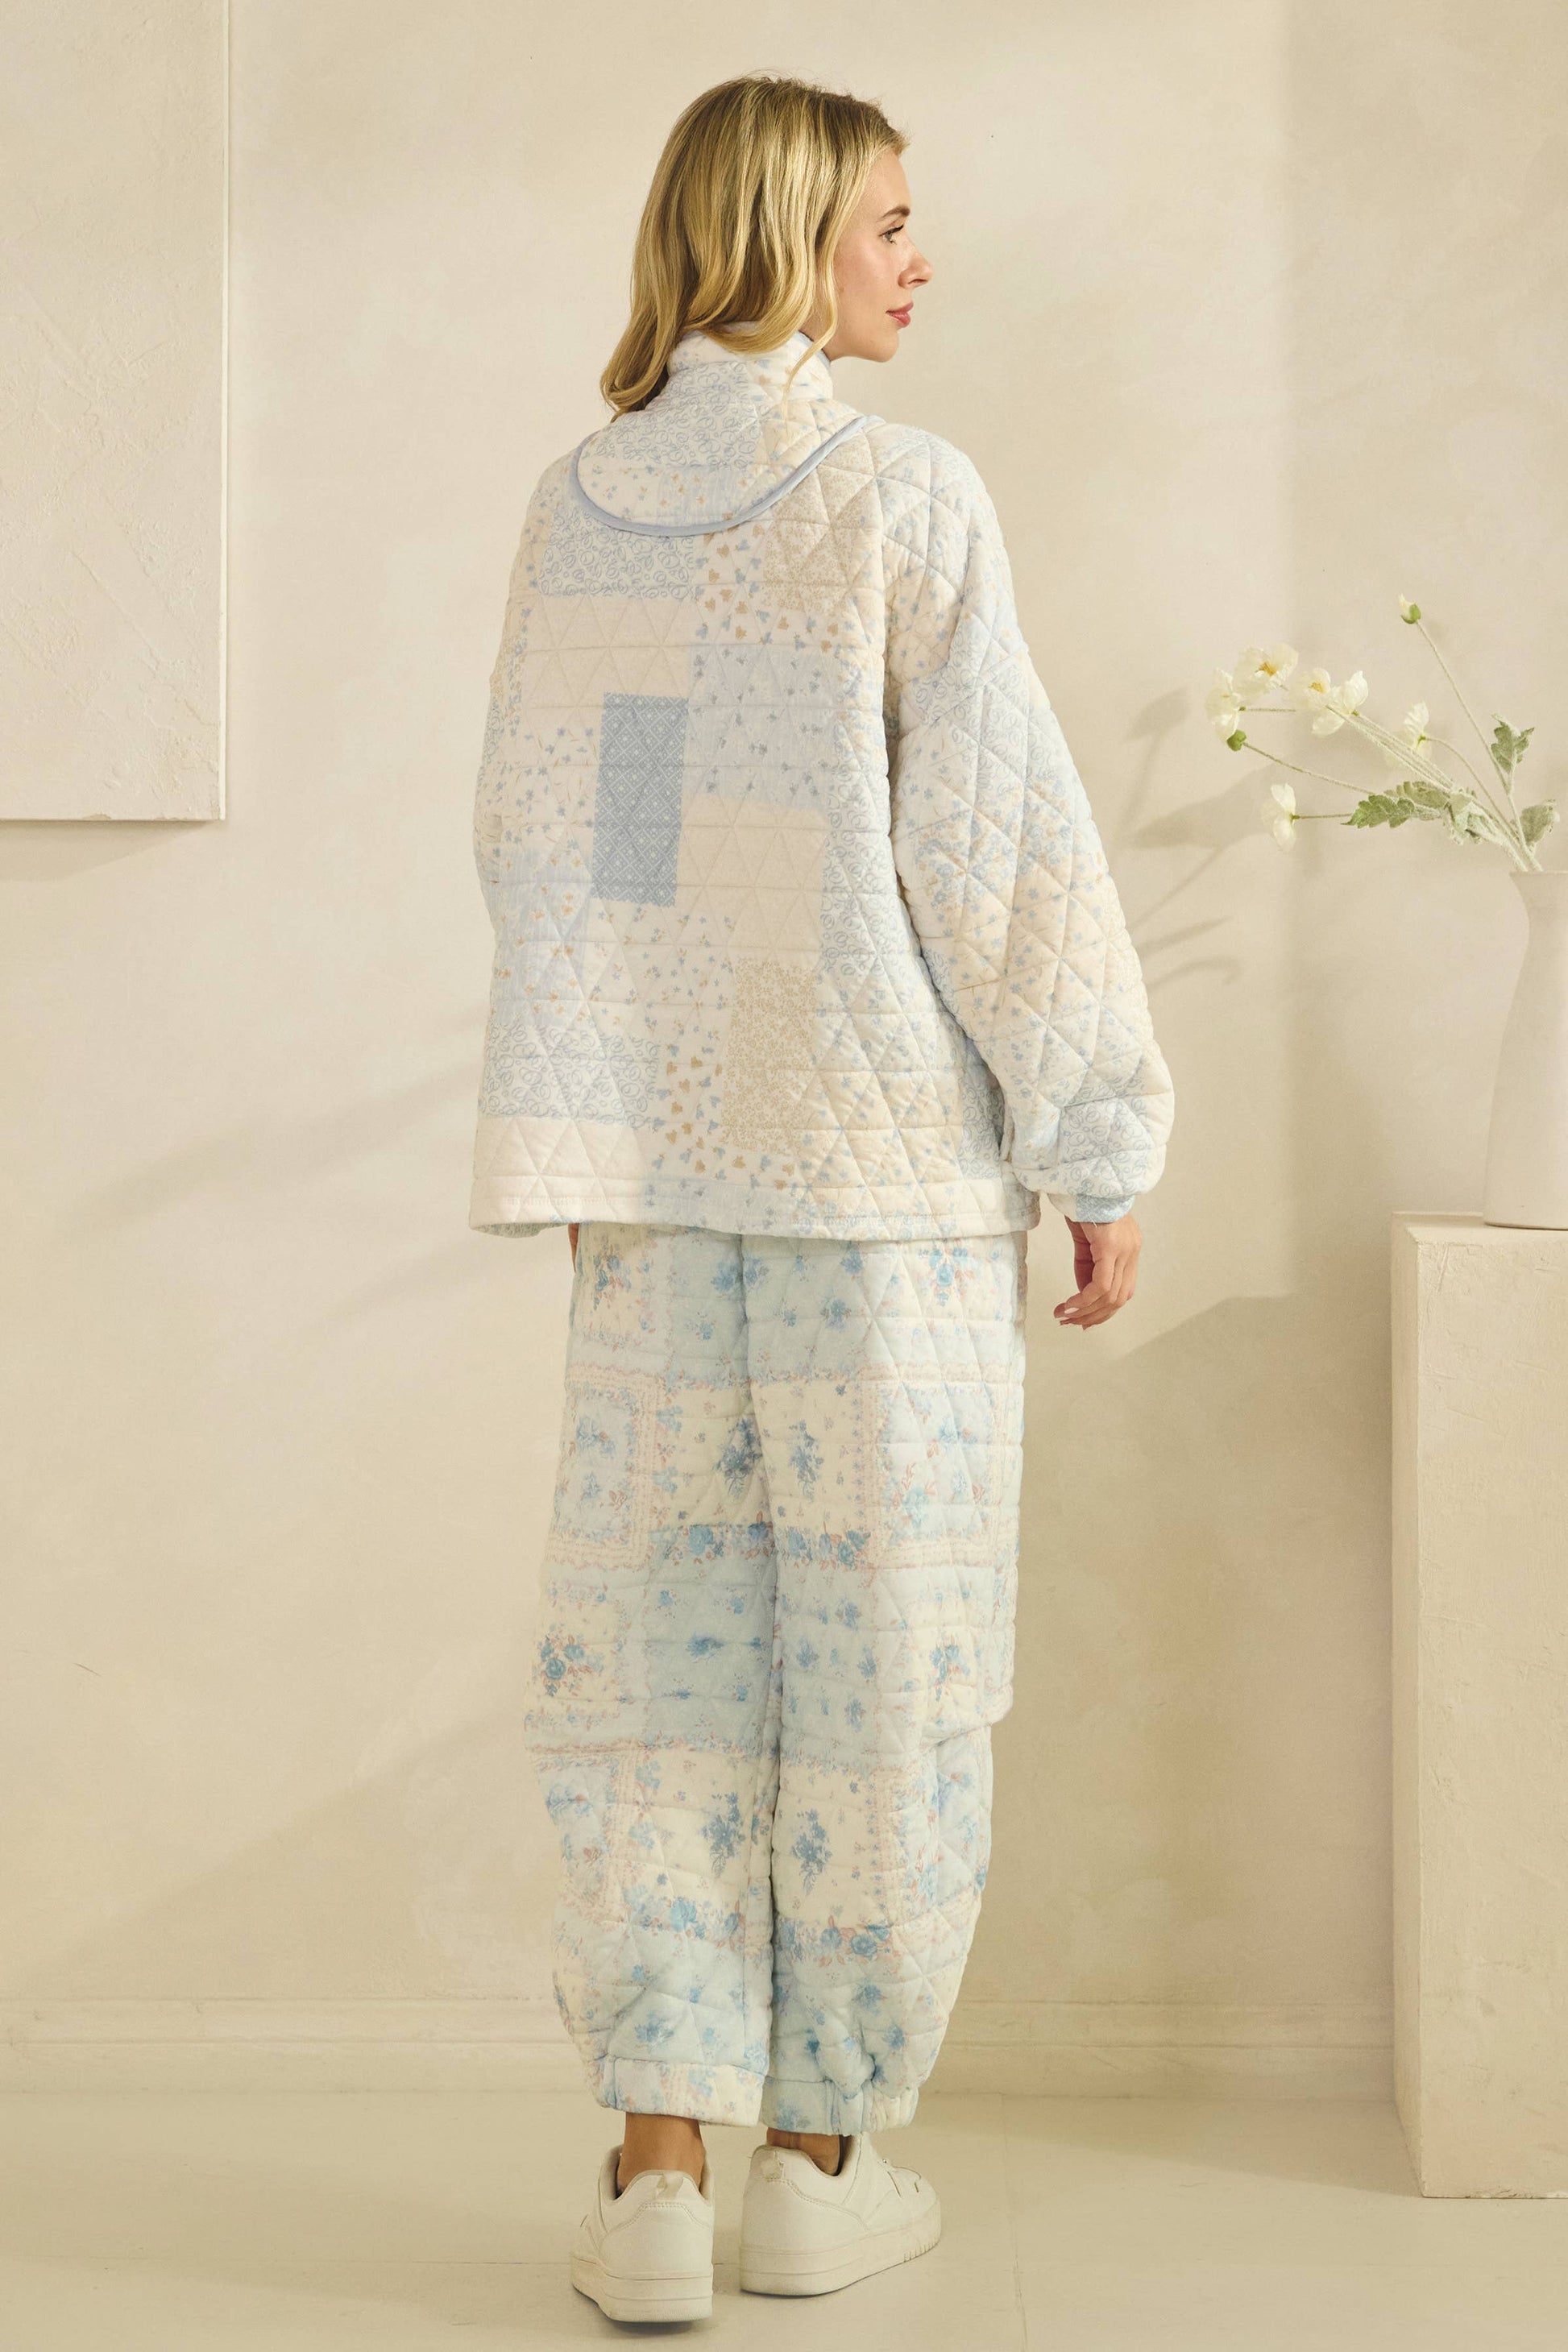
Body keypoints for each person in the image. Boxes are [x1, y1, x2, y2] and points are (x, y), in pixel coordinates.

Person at [469, 72, 1175, 2325]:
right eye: (886, 221)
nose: (918, 258)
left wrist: (600, 1115)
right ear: (781, 238)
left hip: (655, 1202)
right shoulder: (899, 493)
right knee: (888, 1681)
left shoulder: (578, 505)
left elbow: (571, 849)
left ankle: (654, 2179)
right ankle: (817, 2157)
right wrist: (1096, 1138)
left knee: (651, 1679)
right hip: (885, 1208)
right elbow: (995, 850)